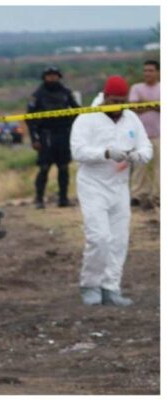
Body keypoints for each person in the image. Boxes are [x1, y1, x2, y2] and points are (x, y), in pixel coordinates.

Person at [70, 76, 152, 307]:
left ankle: (110, 287)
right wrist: (105, 153)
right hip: (93, 185)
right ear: (105, 98)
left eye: (122, 102)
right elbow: (78, 151)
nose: (118, 107)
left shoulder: (131, 118)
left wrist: (140, 156)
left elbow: (145, 146)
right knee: (99, 238)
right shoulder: (86, 118)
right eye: (114, 101)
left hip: (119, 185)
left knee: (119, 240)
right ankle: (90, 285)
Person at [27, 66, 80, 209]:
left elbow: (78, 111)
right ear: (44, 77)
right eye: (49, 75)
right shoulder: (37, 95)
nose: (52, 78)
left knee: (63, 167)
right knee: (44, 168)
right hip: (46, 135)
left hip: (63, 133)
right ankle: (39, 199)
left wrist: (75, 130)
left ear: (59, 76)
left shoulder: (66, 93)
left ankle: (63, 198)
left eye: (55, 75)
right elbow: (29, 119)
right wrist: (34, 139)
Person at [128, 60, 160, 210]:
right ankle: (137, 195)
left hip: (160, 135)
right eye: (145, 70)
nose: (147, 73)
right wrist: (155, 104)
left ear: (158, 72)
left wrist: (144, 103)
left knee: (160, 168)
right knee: (139, 167)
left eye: (151, 70)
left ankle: (158, 195)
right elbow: (134, 108)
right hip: (141, 136)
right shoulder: (136, 87)